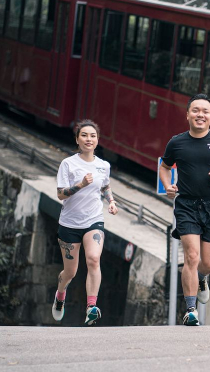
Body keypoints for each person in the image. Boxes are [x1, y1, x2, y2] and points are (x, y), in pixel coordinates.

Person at [159, 93, 210, 326]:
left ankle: (203, 278)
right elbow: (164, 168)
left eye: (205, 111)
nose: (200, 115)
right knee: (191, 257)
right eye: (195, 110)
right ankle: (190, 309)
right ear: (187, 115)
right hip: (186, 205)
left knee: (208, 264)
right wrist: (168, 186)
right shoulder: (177, 142)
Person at [52, 119, 118, 326]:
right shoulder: (68, 164)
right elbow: (61, 194)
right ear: (77, 139)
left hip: (93, 220)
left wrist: (111, 202)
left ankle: (91, 307)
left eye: (93, 136)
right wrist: (80, 184)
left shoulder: (103, 165)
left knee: (93, 259)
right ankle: (60, 294)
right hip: (70, 223)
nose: (89, 139)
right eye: (84, 135)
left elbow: (105, 186)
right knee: (70, 271)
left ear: (97, 140)